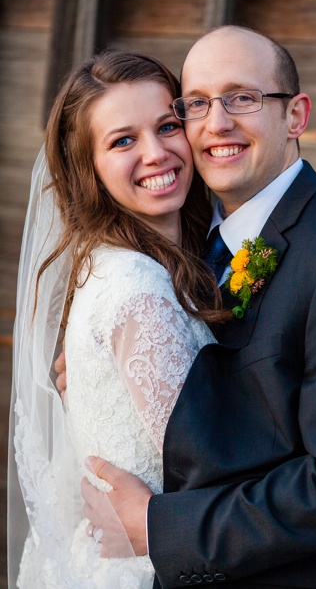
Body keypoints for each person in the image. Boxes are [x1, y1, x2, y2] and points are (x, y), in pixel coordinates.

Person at [79, 26, 316, 588]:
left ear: (295, 116)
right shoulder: (192, 247)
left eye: (243, 97)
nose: (217, 122)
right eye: (196, 104)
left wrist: (158, 528)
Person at [8, 51, 225, 588]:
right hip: (156, 564)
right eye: (123, 140)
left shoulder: (117, 266)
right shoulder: (136, 286)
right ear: (91, 169)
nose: (156, 153)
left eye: (167, 126)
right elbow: (213, 462)